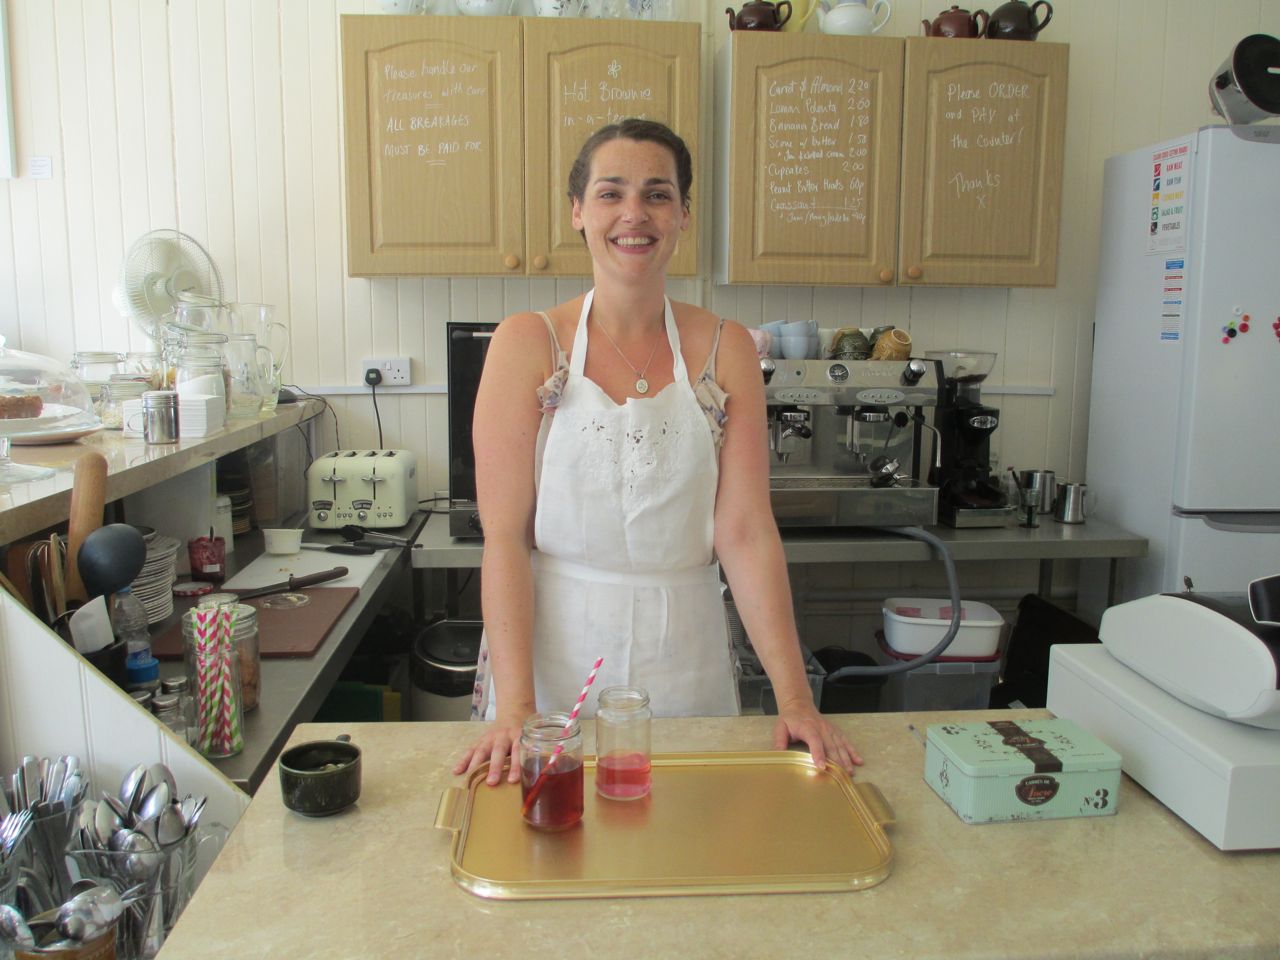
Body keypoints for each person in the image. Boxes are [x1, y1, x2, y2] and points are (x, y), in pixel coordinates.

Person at [453, 118, 862, 785]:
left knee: (689, 826)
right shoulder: (528, 343)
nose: (634, 214)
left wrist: (796, 701)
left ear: (683, 215)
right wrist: (519, 711)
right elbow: (504, 538)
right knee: (554, 831)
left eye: (657, 194)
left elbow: (746, 531)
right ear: (578, 211)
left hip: (685, 658)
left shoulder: (726, 347)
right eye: (611, 193)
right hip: (553, 665)